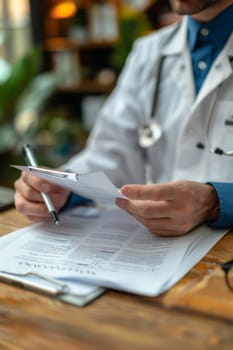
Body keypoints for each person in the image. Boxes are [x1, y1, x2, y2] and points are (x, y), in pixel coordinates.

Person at [14, 0, 233, 236]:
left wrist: (216, 202)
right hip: (159, 250)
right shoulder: (148, 51)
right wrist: (63, 187)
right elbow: (112, 152)